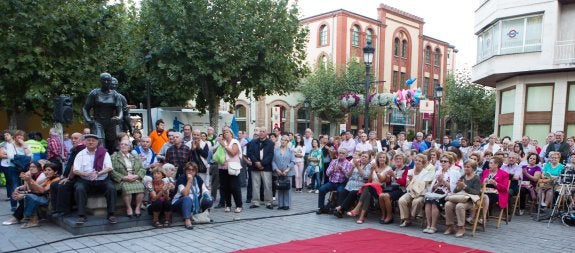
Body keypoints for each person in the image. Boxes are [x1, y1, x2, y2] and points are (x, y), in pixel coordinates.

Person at [73, 133, 117, 224]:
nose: (91, 142)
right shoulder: (80, 154)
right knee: (79, 188)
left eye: (93, 140)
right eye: (88, 140)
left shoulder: (104, 153)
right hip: (85, 180)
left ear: (97, 142)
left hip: (101, 179)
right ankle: (81, 215)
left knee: (111, 188)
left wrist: (99, 173)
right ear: (84, 142)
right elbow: (75, 170)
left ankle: (111, 214)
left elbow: (109, 168)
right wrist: (84, 174)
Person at [3, 162, 57, 227]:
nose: (46, 172)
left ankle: (23, 218)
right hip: (43, 197)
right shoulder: (48, 179)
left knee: (27, 197)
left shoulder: (54, 180)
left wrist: (29, 181)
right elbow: (34, 190)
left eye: (49, 170)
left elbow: (42, 190)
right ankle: (21, 217)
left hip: (50, 202)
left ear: (55, 172)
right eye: (45, 170)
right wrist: (27, 181)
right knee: (24, 195)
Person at [82, 73, 123, 151]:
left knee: (113, 145)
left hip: (111, 122)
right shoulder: (94, 93)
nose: (106, 82)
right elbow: (85, 108)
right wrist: (88, 120)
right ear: (100, 81)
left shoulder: (115, 95)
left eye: (108, 80)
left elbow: (120, 111)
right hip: (98, 122)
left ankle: (110, 161)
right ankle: (101, 160)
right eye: (104, 80)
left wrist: (119, 117)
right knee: (100, 143)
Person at [423, 154, 461, 234]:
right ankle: (428, 225)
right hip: (436, 192)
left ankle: (433, 226)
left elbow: (453, 189)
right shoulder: (438, 172)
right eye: (441, 161)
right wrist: (439, 182)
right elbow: (433, 188)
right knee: (428, 201)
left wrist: (443, 181)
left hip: (447, 194)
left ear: (450, 163)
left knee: (434, 202)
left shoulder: (454, 172)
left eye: (445, 161)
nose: (443, 163)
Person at [50, 133, 85, 218]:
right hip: (70, 175)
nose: (73, 140)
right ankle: (56, 209)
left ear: (82, 140)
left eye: (76, 138)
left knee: (63, 185)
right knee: (54, 185)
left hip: (78, 177)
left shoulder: (81, 149)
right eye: (72, 138)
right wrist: (63, 175)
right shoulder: (75, 149)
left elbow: (74, 166)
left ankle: (63, 210)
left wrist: (68, 178)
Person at [444, 160, 482, 238]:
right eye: (465, 167)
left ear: (473, 168)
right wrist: (458, 187)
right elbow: (455, 191)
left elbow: (476, 192)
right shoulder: (463, 176)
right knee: (448, 204)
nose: (465, 168)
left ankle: (461, 227)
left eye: (468, 167)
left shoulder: (476, 178)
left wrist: (465, 186)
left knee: (459, 206)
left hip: (471, 200)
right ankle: (450, 226)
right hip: (460, 197)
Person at [111, 139, 146, 218]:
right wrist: (124, 177)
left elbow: (142, 169)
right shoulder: (114, 157)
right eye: (122, 144)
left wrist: (137, 176)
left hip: (135, 178)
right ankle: (128, 208)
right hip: (122, 179)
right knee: (126, 188)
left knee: (141, 187)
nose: (123, 146)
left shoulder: (135, 156)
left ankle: (137, 208)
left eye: (125, 145)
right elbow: (111, 170)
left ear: (129, 147)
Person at [398, 154, 435, 227]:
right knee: (401, 200)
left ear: (423, 163)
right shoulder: (410, 171)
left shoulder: (426, 173)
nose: (417, 162)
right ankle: (406, 219)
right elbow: (407, 186)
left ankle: (412, 215)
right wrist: (410, 180)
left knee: (417, 201)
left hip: (421, 193)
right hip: (411, 192)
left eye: (420, 161)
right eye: (416, 160)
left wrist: (413, 181)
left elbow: (423, 186)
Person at [333, 151, 372, 219]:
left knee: (352, 193)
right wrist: (353, 168)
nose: (363, 158)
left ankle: (340, 208)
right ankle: (340, 211)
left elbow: (365, 176)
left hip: (360, 186)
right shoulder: (356, 164)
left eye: (366, 157)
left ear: (368, 159)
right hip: (350, 184)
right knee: (342, 192)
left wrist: (358, 166)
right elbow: (348, 175)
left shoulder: (369, 166)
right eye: (362, 156)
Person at [1, 130, 33, 212]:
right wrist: (23, 157)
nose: (19, 137)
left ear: (24, 137)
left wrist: (24, 145)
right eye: (17, 136)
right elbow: (11, 156)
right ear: (14, 137)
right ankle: (14, 205)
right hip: (13, 168)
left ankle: (23, 204)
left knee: (25, 186)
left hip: (24, 168)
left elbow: (30, 156)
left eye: (21, 136)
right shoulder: (10, 145)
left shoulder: (26, 145)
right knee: (14, 186)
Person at [172, 162, 209, 230]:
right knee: (187, 198)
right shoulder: (182, 178)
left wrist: (207, 194)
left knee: (209, 199)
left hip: (195, 201)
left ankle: (201, 214)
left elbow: (204, 190)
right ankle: (187, 220)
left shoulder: (198, 178)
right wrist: (189, 181)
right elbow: (185, 193)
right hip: (179, 202)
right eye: (188, 169)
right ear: (185, 170)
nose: (190, 171)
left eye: (193, 170)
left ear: (196, 171)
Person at [316, 147, 352, 214]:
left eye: (343, 153)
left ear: (346, 155)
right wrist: (332, 170)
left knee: (341, 192)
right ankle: (320, 208)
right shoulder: (334, 161)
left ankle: (338, 210)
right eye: (340, 153)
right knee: (321, 189)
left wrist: (342, 170)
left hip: (342, 183)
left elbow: (348, 177)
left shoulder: (349, 164)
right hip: (332, 182)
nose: (341, 154)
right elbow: (327, 173)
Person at [217, 126, 243, 213]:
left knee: (234, 187)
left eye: (227, 132)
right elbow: (215, 153)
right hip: (223, 167)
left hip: (233, 168)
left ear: (231, 133)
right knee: (225, 187)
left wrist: (224, 146)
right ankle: (228, 205)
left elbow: (232, 153)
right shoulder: (222, 142)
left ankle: (239, 205)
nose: (225, 133)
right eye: (224, 132)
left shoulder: (235, 142)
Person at [378, 153, 409, 224]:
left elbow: (404, 182)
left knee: (385, 196)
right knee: (381, 195)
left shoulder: (406, 169)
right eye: (396, 159)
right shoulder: (394, 169)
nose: (398, 160)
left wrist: (394, 176)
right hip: (392, 188)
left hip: (401, 189)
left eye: (400, 159)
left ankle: (390, 216)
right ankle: (384, 215)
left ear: (403, 160)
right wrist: (388, 178)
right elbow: (389, 183)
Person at [248, 127, 275, 209]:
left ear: (266, 133)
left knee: (268, 185)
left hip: (266, 167)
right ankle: (255, 202)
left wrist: (262, 163)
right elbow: (250, 153)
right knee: (255, 185)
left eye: (263, 131)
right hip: (255, 167)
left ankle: (269, 202)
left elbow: (270, 155)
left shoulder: (270, 143)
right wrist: (256, 162)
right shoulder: (253, 142)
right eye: (260, 131)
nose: (261, 133)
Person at [272, 135, 295, 210]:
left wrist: (287, 169)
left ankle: (287, 205)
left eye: (284, 140)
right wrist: (277, 169)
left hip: (287, 172)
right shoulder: (276, 150)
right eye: (281, 140)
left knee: (287, 188)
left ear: (287, 142)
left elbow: (293, 161)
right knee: (280, 188)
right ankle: (280, 204)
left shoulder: (290, 151)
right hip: (278, 172)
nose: (282, 141)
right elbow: (273, 161)